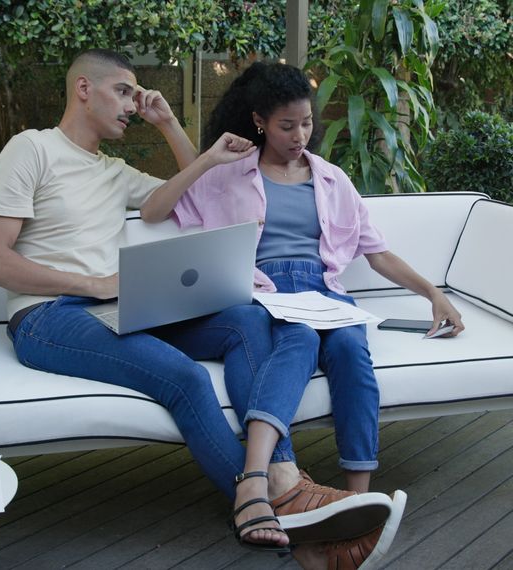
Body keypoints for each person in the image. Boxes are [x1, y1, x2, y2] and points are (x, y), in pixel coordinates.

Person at [0, 49, 392, 557]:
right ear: (84, 88)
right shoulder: (31, 150)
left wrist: (173, 125)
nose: (131, 104)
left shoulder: (115, 171)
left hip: (118, 307)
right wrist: (98, 285)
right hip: (47, 316)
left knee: (244, 320)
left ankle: (278, 485)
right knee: (185, 377)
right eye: (122, 91)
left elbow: (199, 186)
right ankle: (273, 492)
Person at [153, 61, 466, 569]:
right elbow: (175, 200)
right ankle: (265, 476)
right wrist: (174, 131)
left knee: (350, 350)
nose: (300, 136)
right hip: (264, 291)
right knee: (296, 341)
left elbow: (377, 252)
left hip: (325, 290)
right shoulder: (231, 175)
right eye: (286, 125)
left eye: (306, 124)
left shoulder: (332, 179)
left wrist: (431, 291)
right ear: (259, 121)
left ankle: (355, 500)